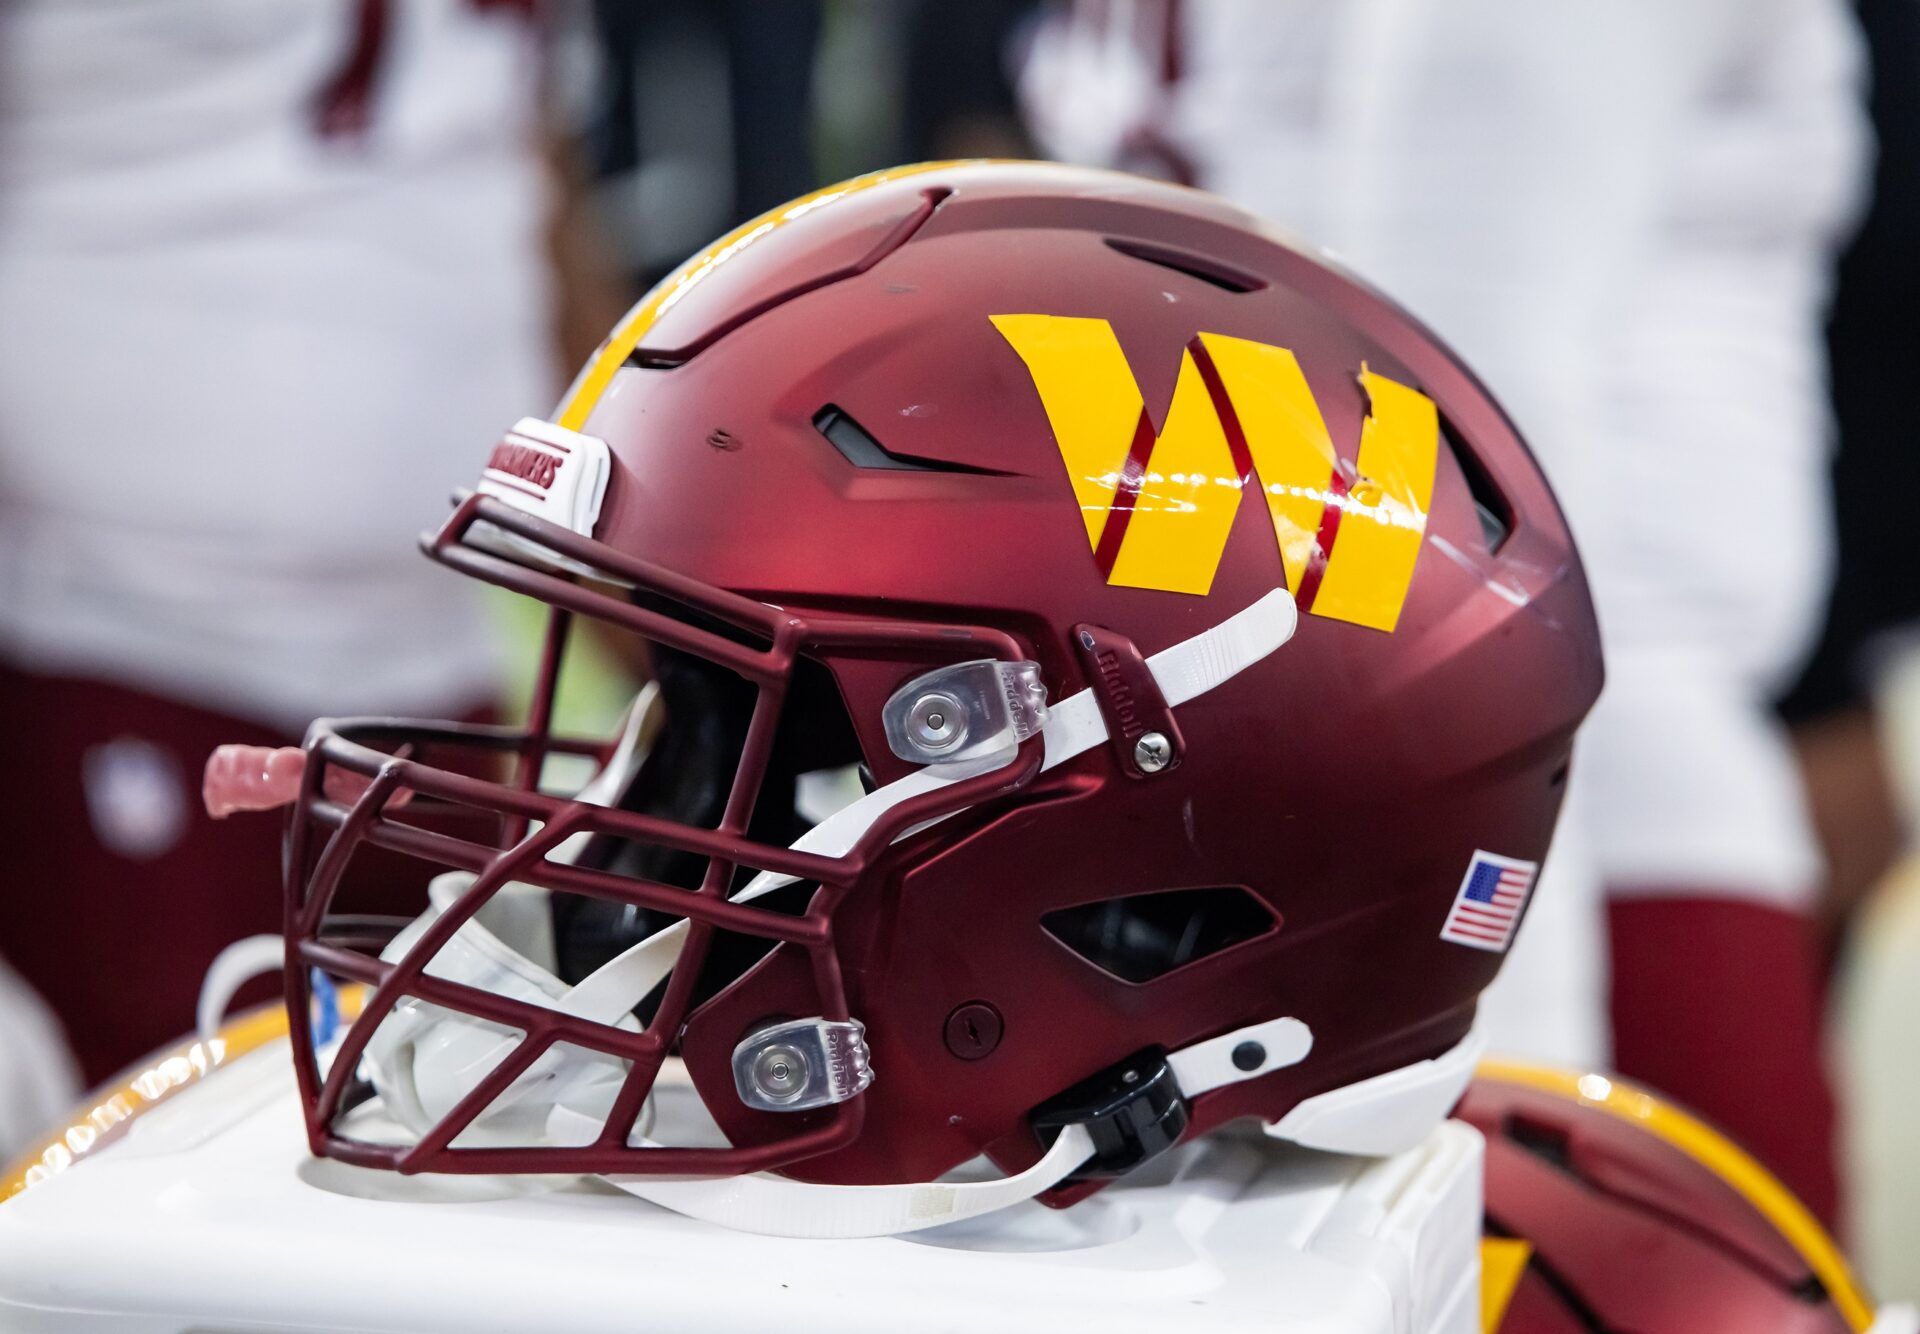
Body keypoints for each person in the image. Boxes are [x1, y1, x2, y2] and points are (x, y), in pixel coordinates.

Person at [1021, 0, 1869, 1225]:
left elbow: (1441, 467)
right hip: (1475, 832)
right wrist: (1486, 1078)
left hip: (1434, 823)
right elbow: (1445, 474)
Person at [0, 0, 583, 1089]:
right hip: (119, 651)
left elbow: (521, 168)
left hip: (442, 665)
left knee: (459, 1122)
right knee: (139, 1151)